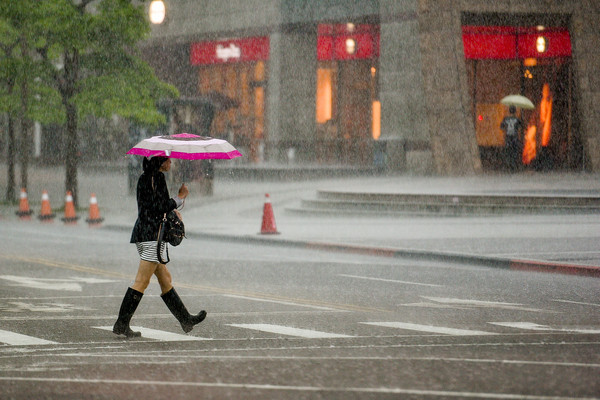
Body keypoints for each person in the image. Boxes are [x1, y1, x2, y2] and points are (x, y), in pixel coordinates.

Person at [113, 156, 206, 338]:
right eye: (168, 160)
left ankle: (185, 319)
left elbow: (152, 206)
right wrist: (179, 198)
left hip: (144, 232)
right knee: (142, 281)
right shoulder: (157, 178)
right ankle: (121, 323)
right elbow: (159, 206)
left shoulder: (145, 177)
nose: (171, 163)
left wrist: (171, 208)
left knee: (165, 278)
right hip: (152, 236)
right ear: (160, 162)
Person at [500, 105, 524, 171]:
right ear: (515, 111)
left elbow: (501, 127)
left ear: (509, 111)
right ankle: (514, 166)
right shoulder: (517, 119)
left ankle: (508, 166)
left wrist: (506, 128)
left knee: (508, 152)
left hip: (508, 137)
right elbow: (520, 126)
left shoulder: (506, 118)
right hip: (514, 137)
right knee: (514, 152)